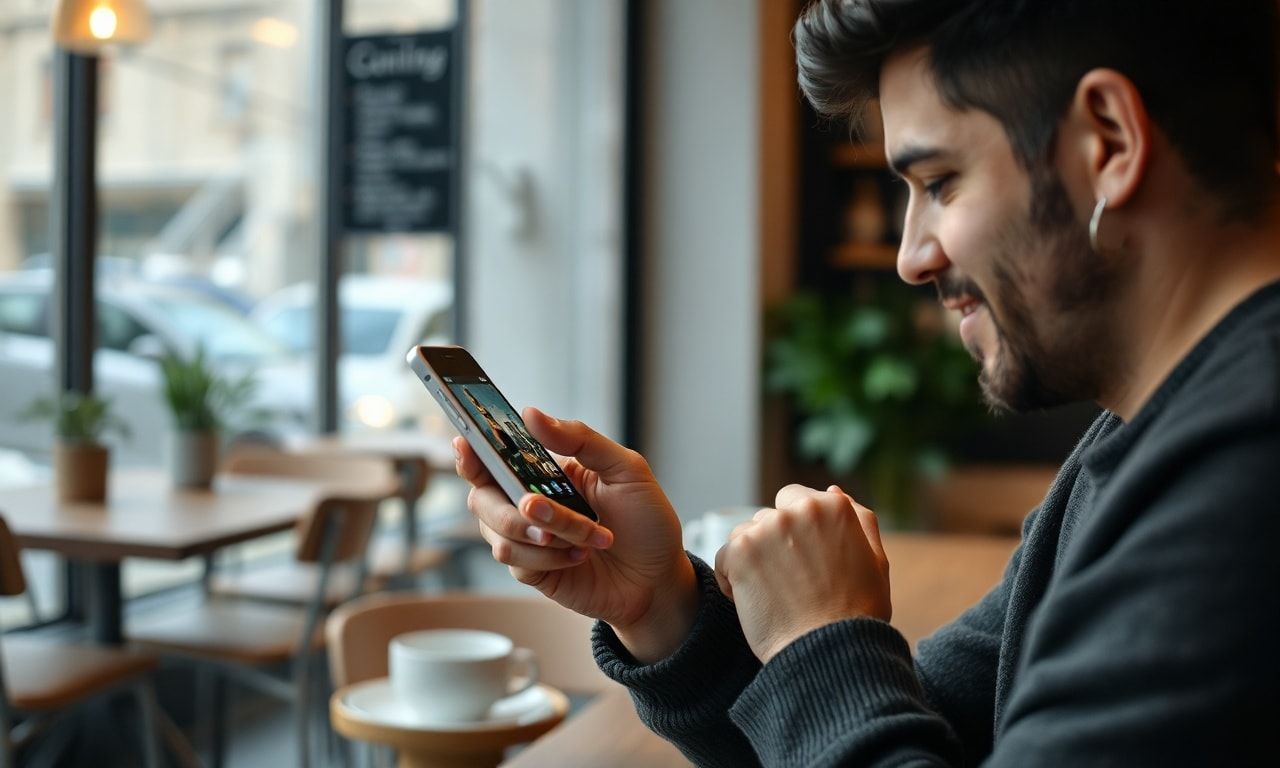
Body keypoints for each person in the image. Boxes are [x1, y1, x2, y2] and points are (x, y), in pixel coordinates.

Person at [453, 0, 1280, 764]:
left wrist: (825, 635)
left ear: (1110, 141)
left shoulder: (1241, 475)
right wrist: (659, 606)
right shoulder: (1149, 437)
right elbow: (882, 738)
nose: (911, 255)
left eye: (940, 183)